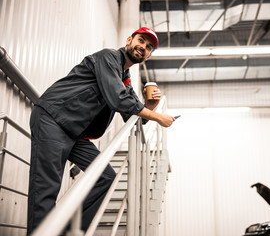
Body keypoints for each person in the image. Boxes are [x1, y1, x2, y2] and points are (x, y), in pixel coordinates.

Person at [27, 27, 175, 235]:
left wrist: (149, 107)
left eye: (149, 47)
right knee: (46, 187)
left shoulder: (124, 78)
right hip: (53, 118)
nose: (143, 47)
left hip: (73, 131)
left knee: (105, 176)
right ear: (129, 40)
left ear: (148, 55)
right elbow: (119, 100)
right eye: (141, 41)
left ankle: (64, 230)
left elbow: (132, 117)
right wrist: (158, 117)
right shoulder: (108, 58)